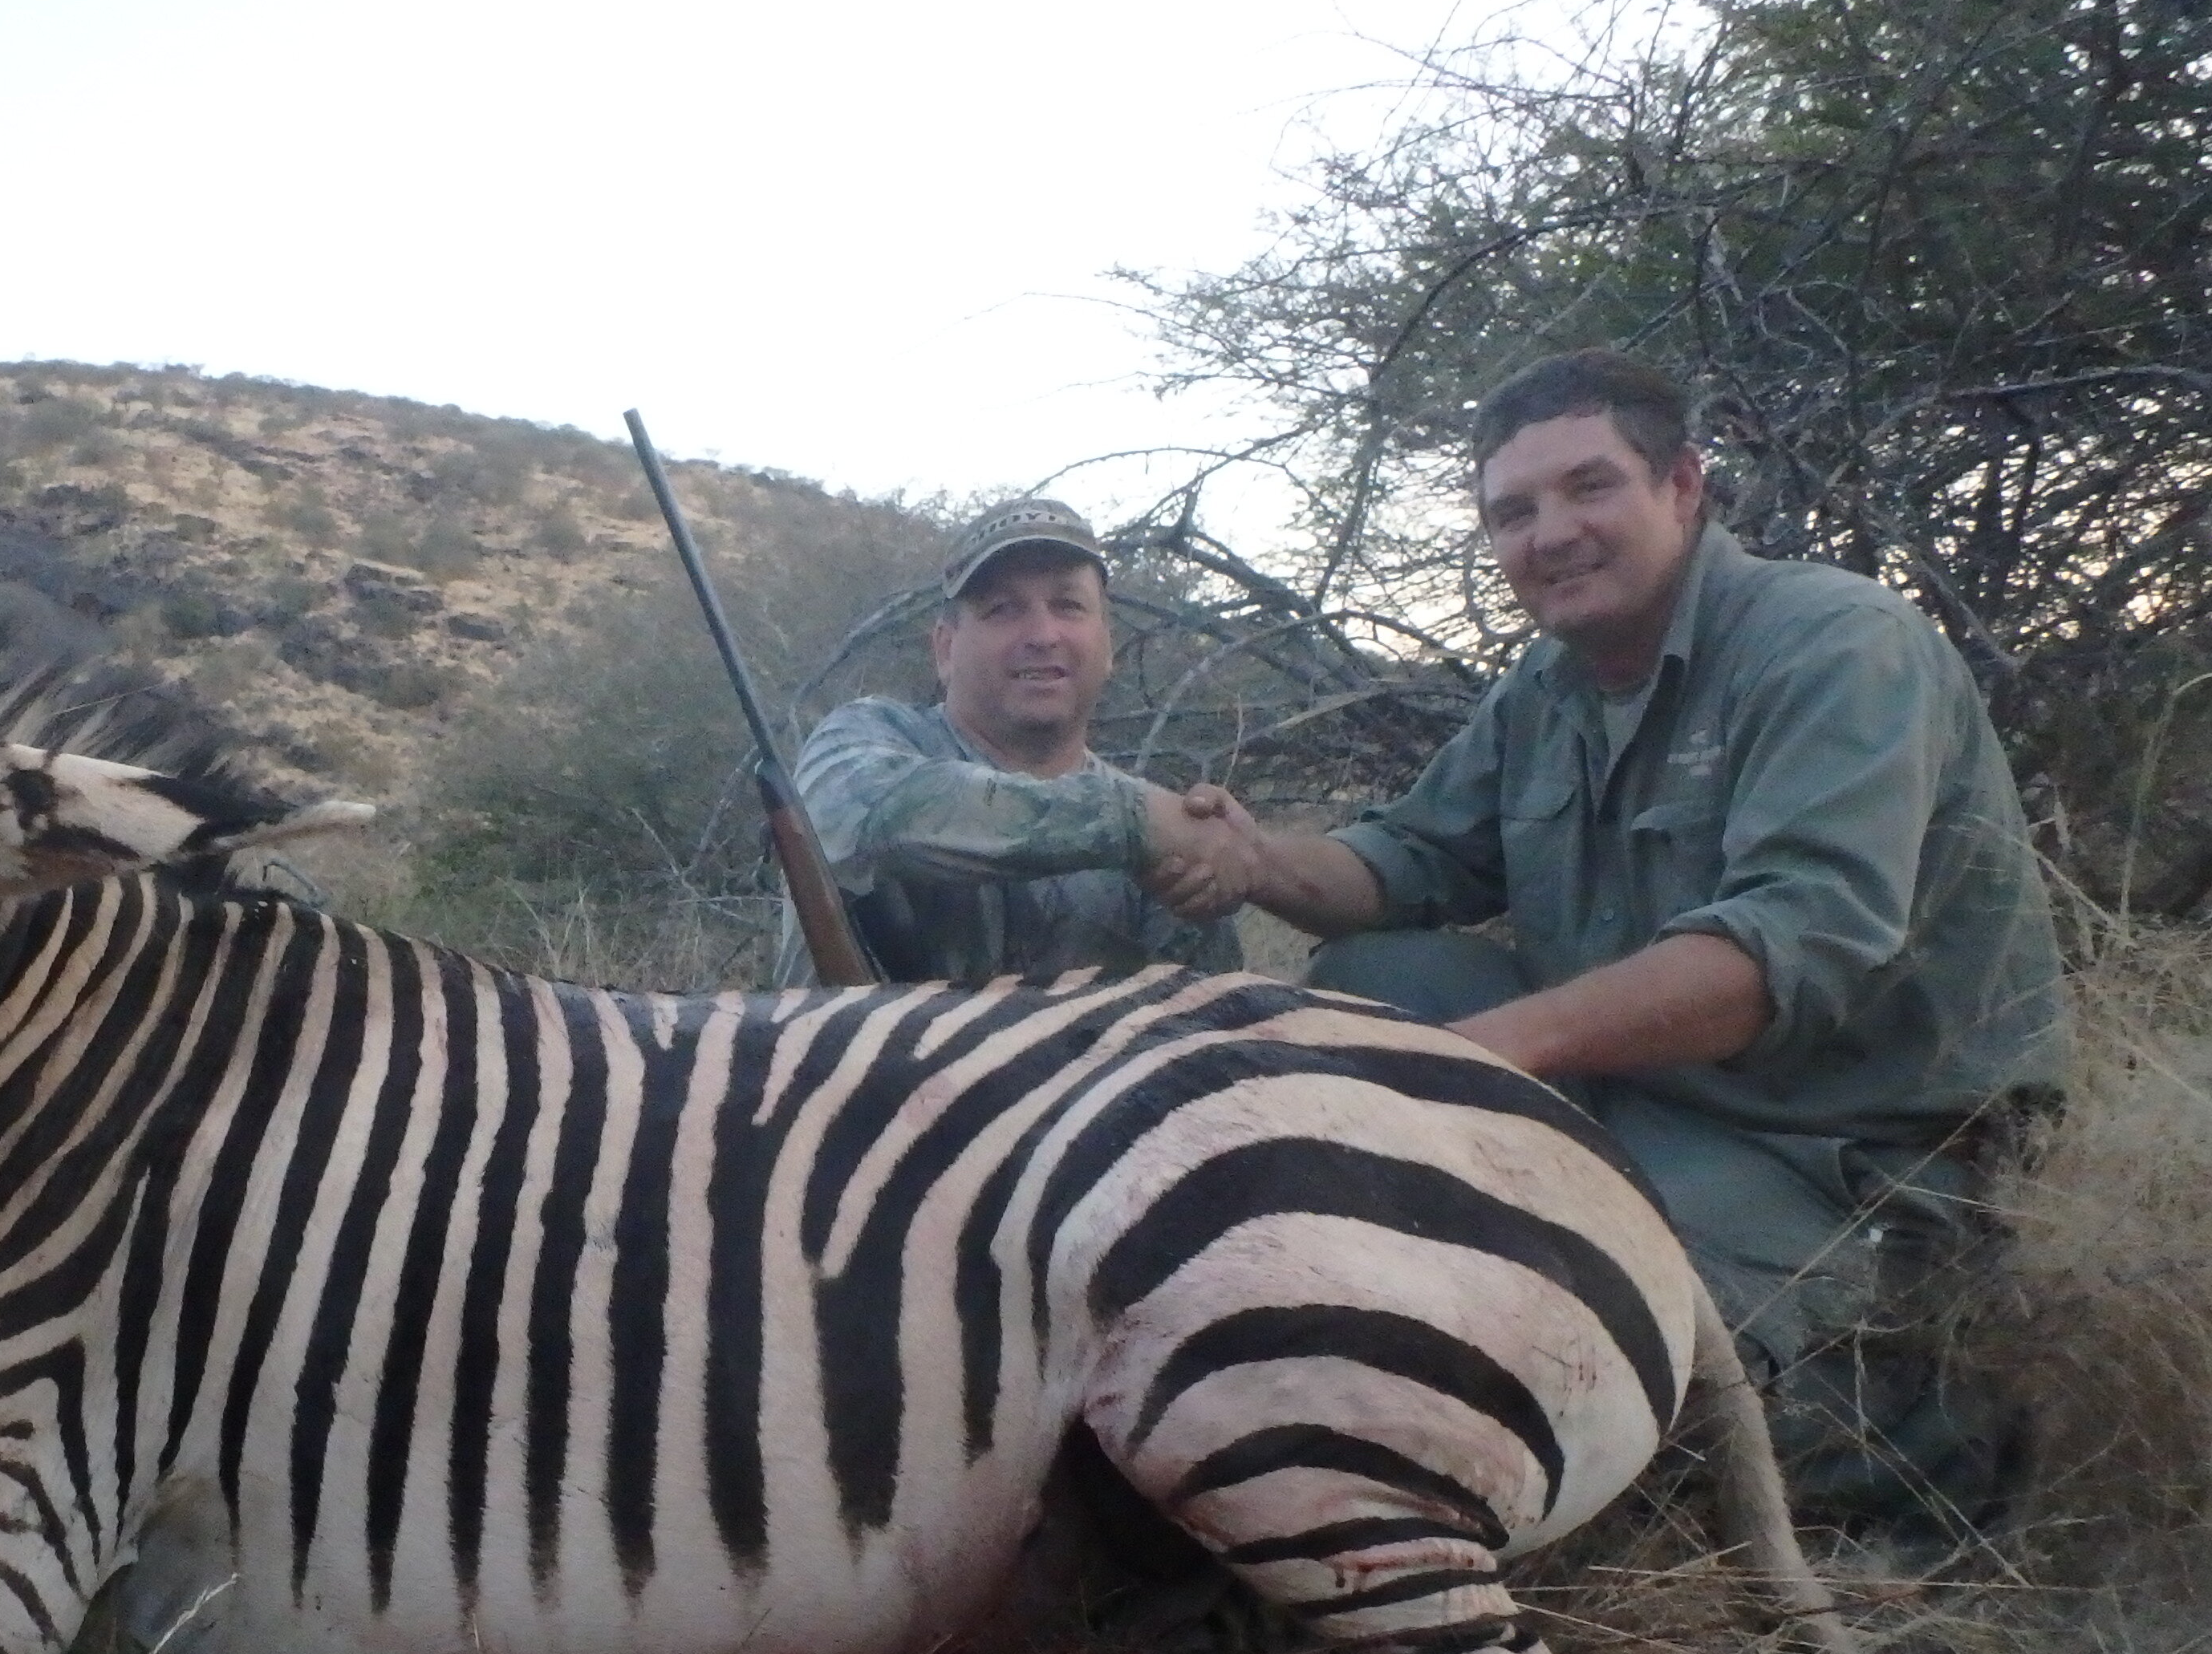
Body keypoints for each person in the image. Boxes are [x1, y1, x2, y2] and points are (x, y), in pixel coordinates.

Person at [1149, 349, 2069, 1543]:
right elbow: (1410, 861)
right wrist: (1256, 858)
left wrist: (1469, 1064)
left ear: (1683, 485)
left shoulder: (1839, 644)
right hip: (1635, 1103)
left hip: (1842, 1148)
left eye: (1590, 488)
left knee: (1602, 1430)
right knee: (1383, 984)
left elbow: (1789, 947)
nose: (1553, 534)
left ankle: (1905, 1421)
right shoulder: (1546, 686)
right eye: (1514, 511)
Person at [789, 499, 1244, 985]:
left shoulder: (1165, 846)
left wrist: (1217, 866)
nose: (1043, 634)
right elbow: (866, 818)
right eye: (1003, 609)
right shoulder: (861, 740)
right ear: (945, 649)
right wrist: (1137, 823)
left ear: (1108, 645)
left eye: (1068, 605)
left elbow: (1199, 1028)